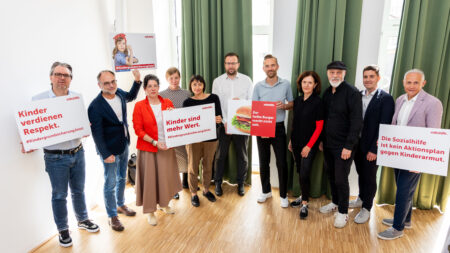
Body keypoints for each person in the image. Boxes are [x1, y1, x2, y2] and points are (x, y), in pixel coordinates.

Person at [22, 62, 99, 248]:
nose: (62, 78)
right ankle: (63, 230)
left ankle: (82, 219)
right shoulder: (38, 99)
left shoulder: (76, 97)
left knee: (79, 190)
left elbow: (81, 122)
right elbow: (34, 125)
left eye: (66, 75)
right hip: (55, 157)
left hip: (78, 152)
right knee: (59, 195)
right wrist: (28, 141)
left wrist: (85, 127)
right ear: (51, 77)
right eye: (58, 74)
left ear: (71, 80)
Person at [378, 69, 443, 240]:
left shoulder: (432, 103)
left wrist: (421, 163)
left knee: (403, 191)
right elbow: (394, 124)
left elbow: (433, 134)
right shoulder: (400, 99)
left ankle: (397, 228)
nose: (412, 86)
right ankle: (405, 219)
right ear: (403, 83)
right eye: (409, 82)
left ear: (423, 83)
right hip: (398, 154)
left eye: (416, 82)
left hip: (415, 157)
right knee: (404, 190)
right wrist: (385, 141)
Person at [87, 69, 141, 231]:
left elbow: (130, 96)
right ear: (99, 85)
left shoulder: (118, 94)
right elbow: (96, 134)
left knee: (121, 178)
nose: (111, 85)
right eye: (106, 83)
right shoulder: (95, 106)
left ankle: (120, 205)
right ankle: (112, 216)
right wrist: (105, 154)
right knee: (110, 183)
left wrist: (137, 81)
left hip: (123, 143)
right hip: (109, 150)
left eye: (113, 81)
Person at [132, 74, 182, 226]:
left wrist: (175, 117)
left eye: (155, 86)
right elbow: (138, 130)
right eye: (149, 86)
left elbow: (174, 122)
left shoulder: (167, 102)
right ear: (145, 89)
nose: (153, 89)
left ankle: (164, 204)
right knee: (150, 181)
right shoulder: (139, 106)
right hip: (149, 148)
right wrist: (154, 142)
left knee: (165, 178)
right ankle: (150, 211)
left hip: (167, 147)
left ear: (159, 87)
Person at [319, 61, 362, 228]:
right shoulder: (327, 93)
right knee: (330, 175)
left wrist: (348, 146)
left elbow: (357, 122)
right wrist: (322, 140)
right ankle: (335, 202)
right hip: (328, 144)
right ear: (328, 74)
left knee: (341, 179)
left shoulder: (352, 93)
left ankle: (343, 212)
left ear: (344, 74)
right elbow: (324, 119)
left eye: (338, 72)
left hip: (344, 146)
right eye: (331, 72)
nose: (334, 75)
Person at [349, 65, 394, 224]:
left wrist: (375, 149)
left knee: (369, 177)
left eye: (371, 76)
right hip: (357, 145)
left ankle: (367, 207)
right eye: (365, 77)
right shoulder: (358, 95)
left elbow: (385, 125)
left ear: (378, 78)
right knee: (361, 174)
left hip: (371, 147)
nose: (368, 80)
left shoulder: (386, 98)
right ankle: (361, 199)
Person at [252, 54, 293, 208]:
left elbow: (292, 103)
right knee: (264, 162)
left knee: (282, 162)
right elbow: (254, 108)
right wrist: (260, 126)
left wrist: (284, 106)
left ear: (277, 67)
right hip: (262, 127)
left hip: (279, 127)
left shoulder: (286, 84)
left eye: (272, 65)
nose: (270, 68)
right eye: (267, 66)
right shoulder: (258, 86)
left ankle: (283, 195)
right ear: (263, 68)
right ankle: (266, 190)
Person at [212, 52, 253, 196]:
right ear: (225, 65)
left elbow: (251, 103)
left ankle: (241, 183)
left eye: (233, 63)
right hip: (223, 125)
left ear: (238, 64)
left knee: (242, 155)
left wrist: (240, 104)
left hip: (242, 124)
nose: (231, 65)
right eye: (228, 63)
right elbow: (216, 104)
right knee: (220, 155)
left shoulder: (247, 80)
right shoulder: (217, 82)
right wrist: (224, 123)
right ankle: (217, 183)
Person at [288, 71, 324, 219]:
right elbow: (295, 123)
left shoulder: (318, 102)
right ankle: (303, 195)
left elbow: (319, 127)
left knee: (304, 173)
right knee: (299, 171)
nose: (306, 85)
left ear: (315, 85)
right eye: (304, 82)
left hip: (309, 145)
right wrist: (291, 140)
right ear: (300, 84)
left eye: (310, 82)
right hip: (296, 142)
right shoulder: (297, 100)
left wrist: (309, 146)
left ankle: (304, 203)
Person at [183, 75, 223, 207]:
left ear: (204, 85)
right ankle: (194, 193)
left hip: (210, 139)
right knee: (193, 167)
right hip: (193, 140)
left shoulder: (213, 98)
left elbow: (219, 116)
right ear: (191, 86)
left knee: (207, 166)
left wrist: (219, 120)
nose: (197, 87)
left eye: (200, 84)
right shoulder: (187, 102)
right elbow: (185, 122)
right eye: (194, 84)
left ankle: (206, 190)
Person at [159, 67, 191, 198]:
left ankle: (186, 182)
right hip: (169, 133)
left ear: (180, 78)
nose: (174, 80)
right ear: (167, 79)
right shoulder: (161, 95)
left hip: (185, 131)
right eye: (171, 78)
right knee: (171, 161)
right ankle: (173, 189)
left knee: (187, 156)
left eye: (176, 77)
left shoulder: (187, 93)